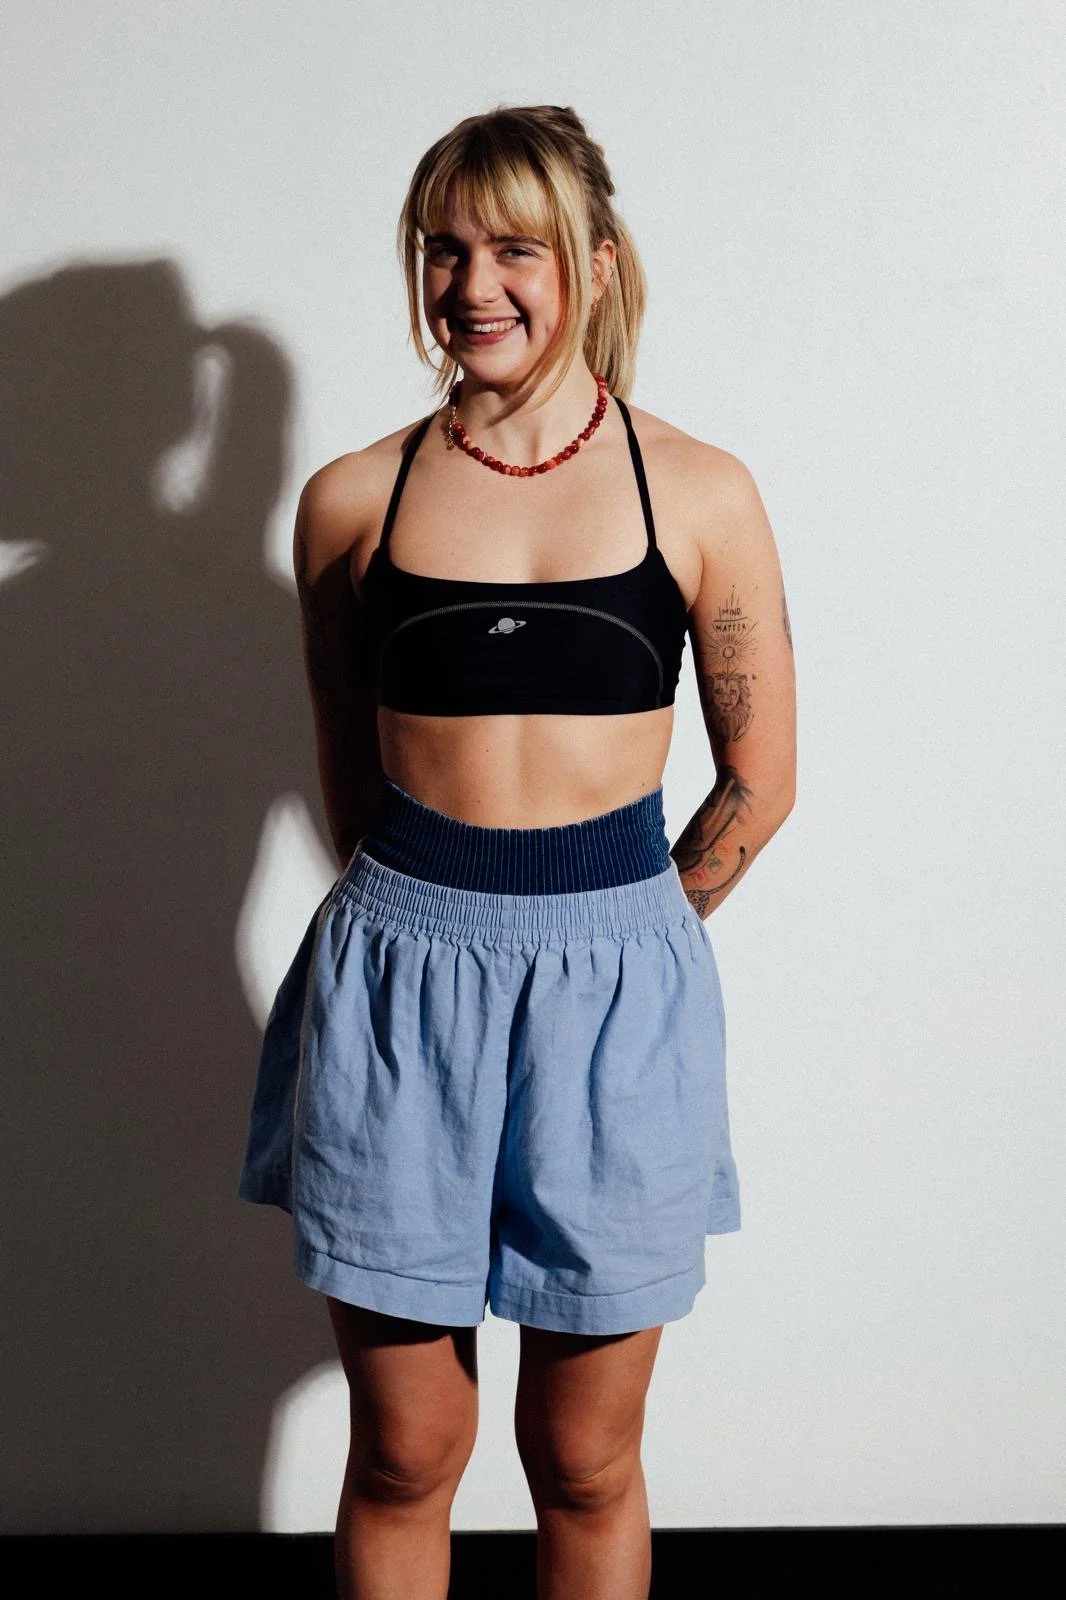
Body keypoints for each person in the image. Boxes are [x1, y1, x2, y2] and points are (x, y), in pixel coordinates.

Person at [240, 103, 796, 1600]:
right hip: (398, 984)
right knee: (405, 1455)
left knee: (586, 1461)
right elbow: (346, 772)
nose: (471, 283)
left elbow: (758, 781)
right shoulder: (354, 502)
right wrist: (427, 929)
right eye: (442, 249)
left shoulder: (696, 491)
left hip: (617, 995)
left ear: (595, 267)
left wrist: (630, 938)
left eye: (514, 249)